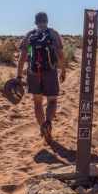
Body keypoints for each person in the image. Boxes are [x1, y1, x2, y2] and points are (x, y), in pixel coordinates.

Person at [16, 12, 66, 143]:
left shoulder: (30, 35)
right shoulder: (53, 34)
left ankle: (42, 126)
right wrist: (63, 70)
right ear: (47, 21)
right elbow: (60, 55)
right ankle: (48, 123)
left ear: (35, 22)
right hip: (50, 71)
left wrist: (19, 76)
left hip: (33, 73)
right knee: (52, 101)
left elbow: (22, 58)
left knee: (37, 103)